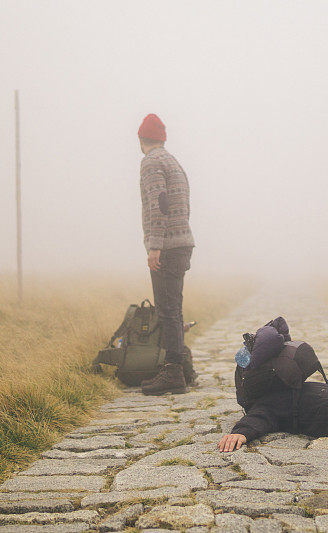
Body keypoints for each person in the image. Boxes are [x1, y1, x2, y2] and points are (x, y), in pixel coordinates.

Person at [136, 113, 197, 395]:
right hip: (182, 242)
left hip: (168, 246)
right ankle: (184, 368)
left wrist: (155, 245)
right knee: (174, 308)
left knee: (167, 310)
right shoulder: (173, 161)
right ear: (162, 138)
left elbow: (159, 204)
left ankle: (173, 373)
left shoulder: (151, 162)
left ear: (141, 138)